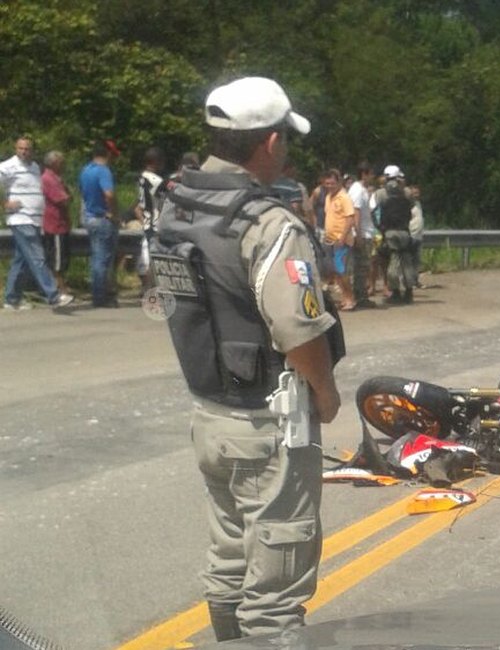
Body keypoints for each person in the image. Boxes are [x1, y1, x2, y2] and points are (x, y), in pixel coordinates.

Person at [152, 76, 344, 641]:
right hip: (268, 422)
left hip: (210, 411)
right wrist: (327, 397)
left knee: (230, 556)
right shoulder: (268, 224)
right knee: (276, 592)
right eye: (285, 136)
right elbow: (299, 330)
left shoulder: (179, 203)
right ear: (269, 143)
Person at [1, 136, 74, 310]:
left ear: (32, 150)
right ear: (15, 149)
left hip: (35, 219)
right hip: (20, 218)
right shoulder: (7, 166)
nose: (24, 152)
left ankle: (11, 299)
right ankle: (54, 295)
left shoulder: (35, 167)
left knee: (22, 260)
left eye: (27, 149)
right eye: (21, 148)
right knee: (37, 256)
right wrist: (5, 204)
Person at [79, 140, 121, 307]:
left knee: (97, 257)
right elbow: (109, 194)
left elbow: (82, 193)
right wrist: (114, 213)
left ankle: (98, 294)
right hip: (103, 218)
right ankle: (100, 297)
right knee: (103, 259)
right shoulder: (104, 171)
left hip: (89, 217)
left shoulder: (85, 170)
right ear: (108, 154)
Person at [370, 164, 417, 304]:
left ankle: (395, 292)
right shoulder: (406, 192)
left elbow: (372, 210)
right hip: (404, 231)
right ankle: (409, 292)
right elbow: (412, 206)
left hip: (389, 231)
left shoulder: (380, 193)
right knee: (407, 262)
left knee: (393, 262)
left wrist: (379, 228)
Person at [321, 168, 358, 310]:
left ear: (339, 182)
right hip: (330, 239)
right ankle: (344, 298)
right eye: (327, 183)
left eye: (332, 183)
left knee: (341, 270)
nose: (329, 186)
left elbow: (350, 218)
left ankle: (350, 299)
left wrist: (343, 236)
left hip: (341, 240)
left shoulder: (344, 197)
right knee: (335, 271)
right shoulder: (328, 197)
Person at [40, 150, 72, 295]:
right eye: (61, 162)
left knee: (63, 257)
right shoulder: (48, 179)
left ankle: (61, 285)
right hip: (55, 225)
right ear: (54, 163)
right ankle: (59, 288)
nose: (63, 164)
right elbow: (62, 200)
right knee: (57, 259)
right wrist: (67, 196)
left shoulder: (57, 178)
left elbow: (69, 196)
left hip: (62, 224)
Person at [134, 147, 165, 291]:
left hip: (146, 221)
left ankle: (146, 287)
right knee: (153, 258)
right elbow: (170, 193)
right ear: (156, 162)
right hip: (155, 223)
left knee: (146, 255)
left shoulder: (141, 177)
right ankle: (149, 288)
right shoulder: (155, 180)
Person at [347, 161, 377, 304]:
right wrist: (358, 234)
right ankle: (360, 296)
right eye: (371, 173)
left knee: (361, 266)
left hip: (365, 232)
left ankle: (359, 294)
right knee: (362, 267)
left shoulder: (361, 189)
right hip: (362, 233)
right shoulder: (358, 190)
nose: (373, 177)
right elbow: (356, 212)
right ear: (364, 174)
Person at [408, 184, 425, 288]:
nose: (416, 195)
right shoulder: (408, 204)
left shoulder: (418, 203)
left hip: (418, 235)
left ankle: (416, 280)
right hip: (410, 234)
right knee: (409, 259)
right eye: (414, 193)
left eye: (418, 193)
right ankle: (409, 281)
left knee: (416, 260)